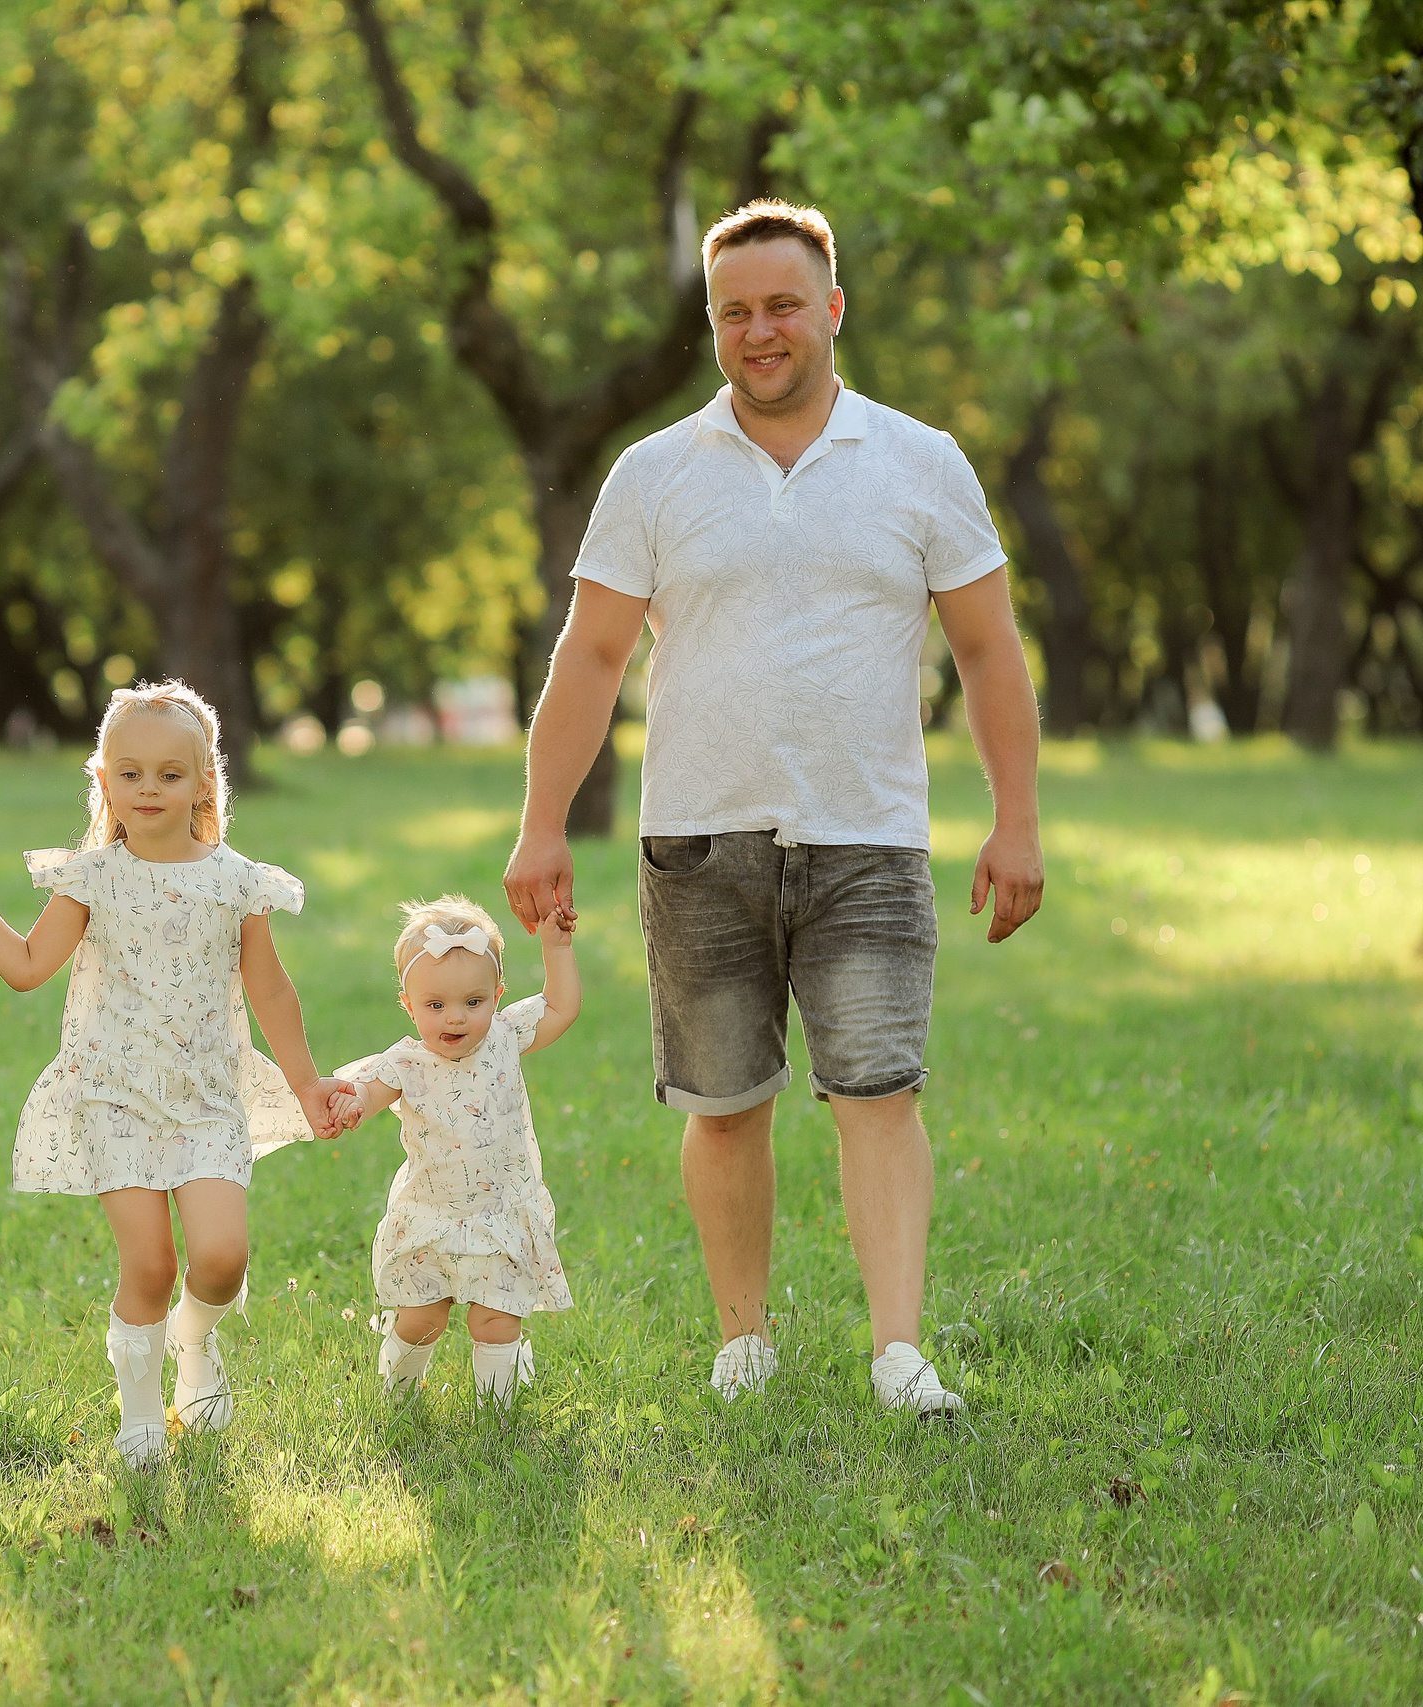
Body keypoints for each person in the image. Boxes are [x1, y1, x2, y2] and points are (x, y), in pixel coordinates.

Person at [502, 199, 1045, 1418]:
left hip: (869, 836)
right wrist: (542, 823)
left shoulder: (921, 461)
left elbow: (989, 651)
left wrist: (1015, 819)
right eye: (734, 311)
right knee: (722, 1103)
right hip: (698, 840)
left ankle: (896, 1351)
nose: (761, 330)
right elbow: (588, 660)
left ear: (833, 309)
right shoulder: (652, 474)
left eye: (783, 304)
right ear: (712, 324)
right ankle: (742, 1341)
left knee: (878, 1091)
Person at [0, 681, 348, 1467]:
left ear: (204, 785)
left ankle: (195, 1339)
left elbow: (271, 992)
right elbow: (25, 965)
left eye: (168, 774)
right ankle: (142, 1410)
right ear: (104, 782)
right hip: (113, 1093)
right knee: (149, 1262)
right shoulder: (92, 877)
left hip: (206, 1096)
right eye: (129, 773)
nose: (147, 789)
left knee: (222, 1257)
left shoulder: (236, 880)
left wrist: (308, 1086)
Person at [328, 895, 581, 1412]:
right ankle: (396, 1402)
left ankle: (497, 1413)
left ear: (497, 996)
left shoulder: (506, 1037)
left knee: (496, 1319)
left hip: (499, 1215)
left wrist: (556, 947)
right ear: (409, 1004)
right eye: (435, 1005)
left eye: (474, 1001)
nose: (456, 1018)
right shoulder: (409, 1062)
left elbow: (561, 1007)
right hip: (431, 1216)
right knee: (422, 1318)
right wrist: (355, 1107)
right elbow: (373, 1090)